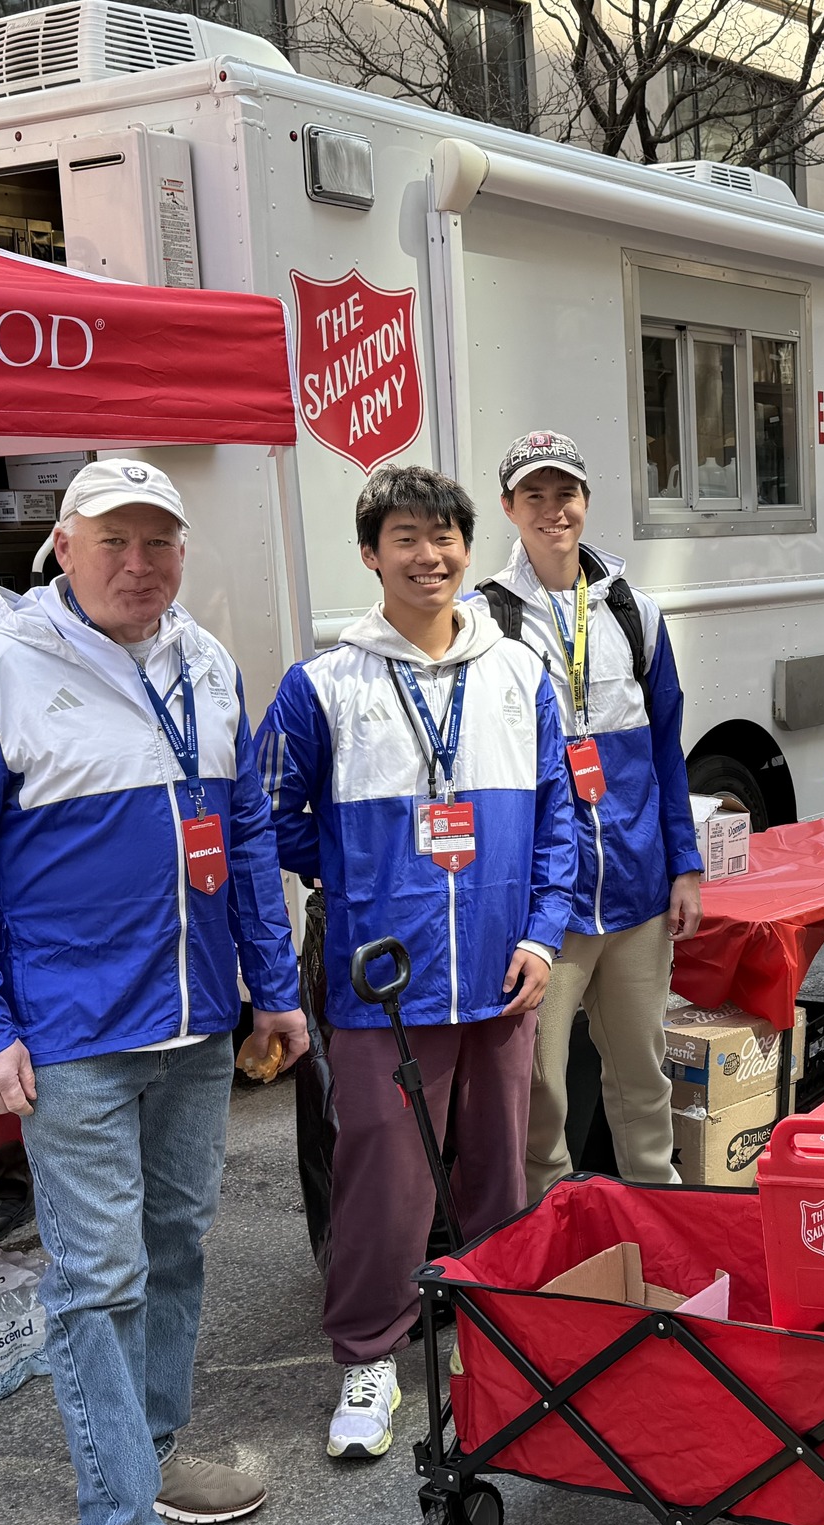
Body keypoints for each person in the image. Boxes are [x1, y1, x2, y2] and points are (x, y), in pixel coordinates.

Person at [0, 460, 309, 1525]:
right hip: (68, 1036)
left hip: (191, 1024)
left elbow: (250, 830)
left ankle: (154, 1457)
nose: (139, 566)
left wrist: (272, 985)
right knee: (98, 1280)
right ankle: (114, 1513)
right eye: (114, 543)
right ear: (64, 548)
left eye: (159, 543)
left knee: (175, 1249)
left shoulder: (207, 661)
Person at [257, 464, 574, 1461]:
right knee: (383, 1184)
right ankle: (366, 1358)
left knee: (496, 1176)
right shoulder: (323, 685)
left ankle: (495, 1338)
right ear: (369, 553)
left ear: (466, 550)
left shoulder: (520, 675)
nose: (427, 556)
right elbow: (271, 817)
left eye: (443, 538)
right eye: (404, 538)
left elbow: (560, 817)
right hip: (381, 983)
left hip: (500, 974)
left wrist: (541, 932)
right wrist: (358, 881)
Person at [474, 432, 703, 1201]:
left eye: (564, 493)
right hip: (547, 909)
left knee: (644, 1079)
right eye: (533, 495)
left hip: (637, 892)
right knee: (541, 1097)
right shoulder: (483, 621)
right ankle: (556, 1244)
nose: (552, 510)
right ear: (509, 509)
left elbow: (669, 750)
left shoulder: (635, 610)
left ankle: (658, 1221)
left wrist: (687, 865)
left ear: (585, 502)